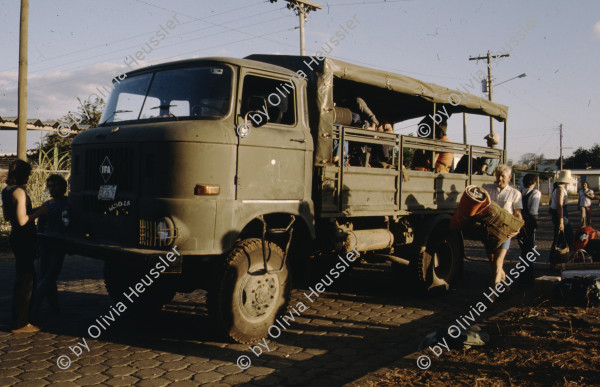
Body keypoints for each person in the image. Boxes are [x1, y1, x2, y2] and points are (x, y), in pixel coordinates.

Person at [1, 160, 48, 333]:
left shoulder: (7, 191)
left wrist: (34, 209)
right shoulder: (20, 192)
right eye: (27, 174)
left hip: (15, 236)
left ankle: (23, 318)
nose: (28, 177)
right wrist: (40, 212)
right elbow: (23, 220)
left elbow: (8, 216)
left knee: (24, 276)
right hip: (24, 237)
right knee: (26, 280)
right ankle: (20, 323)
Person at [33, 174, 69, 317]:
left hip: (58, 244)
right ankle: (53, 306)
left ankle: (35, 302)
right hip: (45, 243)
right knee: (47, 276)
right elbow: (40, 226)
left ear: (63, 187)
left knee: (49, 275)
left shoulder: (66, 204)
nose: (52, 189)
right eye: (50, 186)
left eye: (55, 185)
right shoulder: (47, 205)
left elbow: (67, 224)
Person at [482, 165, 523, 286]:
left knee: (499, 261)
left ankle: (493, 295)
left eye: (502, 176)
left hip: (505, 232)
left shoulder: (515, 193)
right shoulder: (487, 189)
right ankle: (506, 287)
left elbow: (518, 214)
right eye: (497, 175)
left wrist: (518, 229)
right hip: (489, 230)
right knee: (493, 262)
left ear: (509, 177)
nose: (499, 178)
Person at [518, 173, 541, 283]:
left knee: (523, 249)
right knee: (530, 248)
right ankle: (529, 276)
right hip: (529, 222)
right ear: (535, 183)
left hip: (519, 221)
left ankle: (522, 275)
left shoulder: (519, 192)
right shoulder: (535, 193)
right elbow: (534, 211)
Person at [550, 171, 574, 259]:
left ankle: (555, 259)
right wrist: (561, 222)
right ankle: (559, 258)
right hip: (561, 215)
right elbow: (560, 206)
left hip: (559, 214)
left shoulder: (557, 188)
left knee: (559, 238)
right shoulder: (560, 189)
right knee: (568, 236)